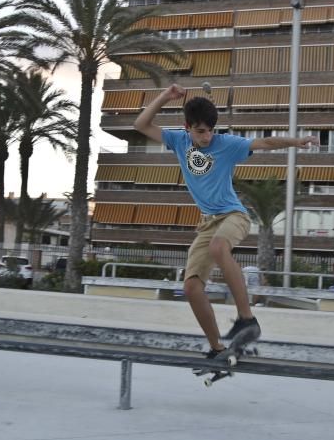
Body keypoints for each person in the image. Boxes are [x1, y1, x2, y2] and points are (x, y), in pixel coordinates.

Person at [134, 83, 315, 358]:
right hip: (207, 223)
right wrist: (165, 96)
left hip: (234, 215)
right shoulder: (178, 141)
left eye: (210, 131)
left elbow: (264, 142)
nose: (206, 137)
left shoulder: (226, 144)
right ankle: (218, 348)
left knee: (219, 248)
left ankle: (247, 319)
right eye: (200, 131)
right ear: (187, 127)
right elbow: (141, 124)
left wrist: (296, 142)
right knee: (192, 287)